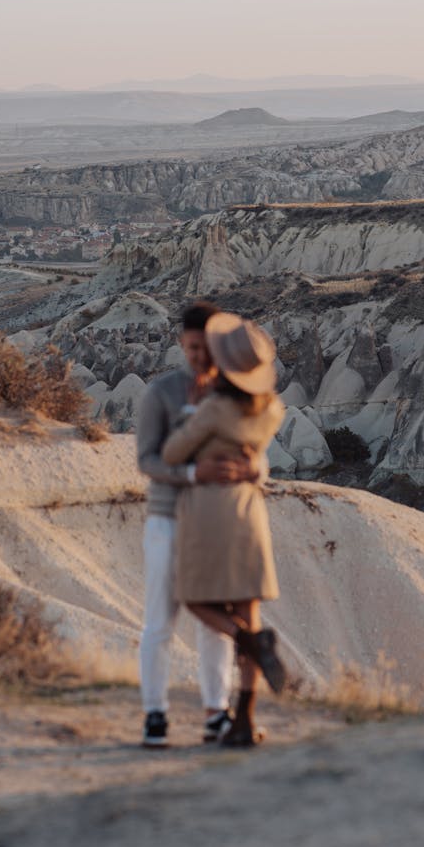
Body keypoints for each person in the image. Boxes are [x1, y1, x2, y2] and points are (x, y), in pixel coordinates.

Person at [136, 301, 263, 748]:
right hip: (169, 521)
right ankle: (155, 715)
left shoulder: (232, 394)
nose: (198, 357)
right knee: (159, 622)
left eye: (205, 349)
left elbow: (258, 455)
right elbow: (146, 460)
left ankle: (216, 713)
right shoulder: (162, 394)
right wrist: (194, 474)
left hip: (216, 525)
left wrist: (253, 472)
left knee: (214, 624)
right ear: (181, 345)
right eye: (191, 348)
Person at [162, 312, 286, 748]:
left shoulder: (214, 410)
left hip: (210, 514)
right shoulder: (273, 409)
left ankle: (248, 641)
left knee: (195, 599)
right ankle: (245, 721)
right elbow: (259, 457)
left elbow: (173, 452)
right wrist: (254, 464)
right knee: (249, 607)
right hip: (251, 515)